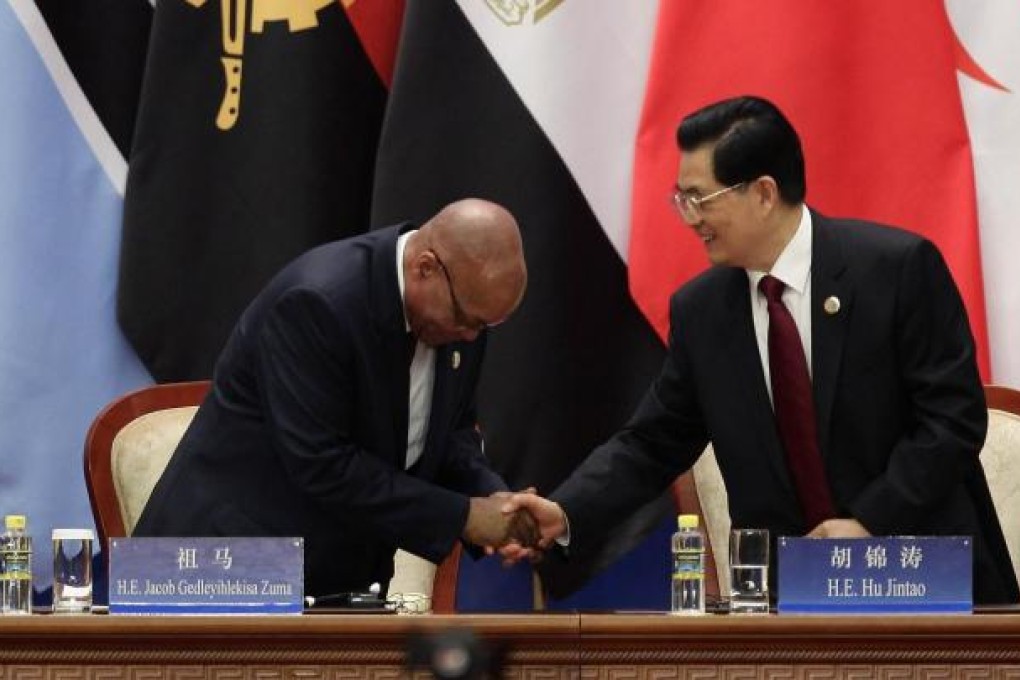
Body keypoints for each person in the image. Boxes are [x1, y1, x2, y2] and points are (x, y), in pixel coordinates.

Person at [503, 96, 1019, 604]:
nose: (689, 218)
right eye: (680, 199)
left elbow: (952, 419)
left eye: (700, 199)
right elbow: (652, 443)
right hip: (786, 602)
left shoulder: (897, 271)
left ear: (764, 193)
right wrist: (567, 511)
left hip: (923, 582)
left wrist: (868, 523)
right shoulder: (703, 311)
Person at [134, 198, 536, 597]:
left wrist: (497, 502)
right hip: (219, 571)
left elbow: (452, 434)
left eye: (487, 324)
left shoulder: (460, 314)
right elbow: (323, 464)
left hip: (335, 579)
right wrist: (464, 517)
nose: (471, 336)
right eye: (467, 319)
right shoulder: (318, 303)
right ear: (425, 267)